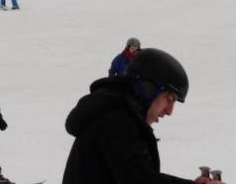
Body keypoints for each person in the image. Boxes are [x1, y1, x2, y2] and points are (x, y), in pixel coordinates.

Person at [62, 48, 225, 184]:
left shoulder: (117, 115)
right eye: (169, 99)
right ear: (147, 89)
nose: (169, 111)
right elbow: (137, 179)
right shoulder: (115, 120)